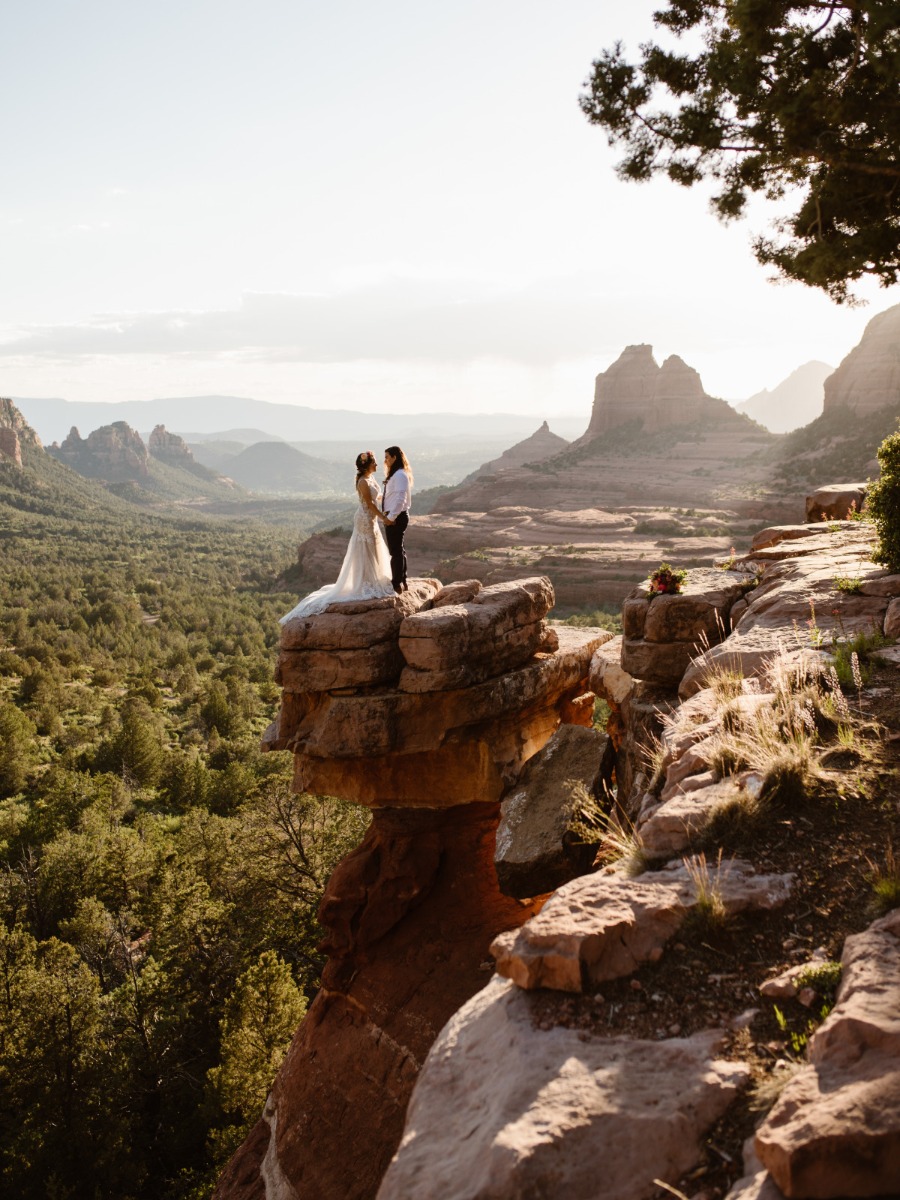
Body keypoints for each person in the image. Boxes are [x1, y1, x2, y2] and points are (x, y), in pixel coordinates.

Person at [279, 451, 394, 622]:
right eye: (374, 463)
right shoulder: (362, 481)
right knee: (366, 548)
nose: (377, 465)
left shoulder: (370, 478)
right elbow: (369, 504)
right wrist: (383, 517)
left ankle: (372, 579)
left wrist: (390, 497)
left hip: (371, 519)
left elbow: (375, 496)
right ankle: (366, 582)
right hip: (365, 519)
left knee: (373, 547)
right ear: (367, 465)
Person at [382, 446, 413, 593]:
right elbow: (393, 496)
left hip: (396, 517)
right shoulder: (397, 474)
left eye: (387, 457)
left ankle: (396, 584)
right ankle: (403, 580)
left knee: (395, 552)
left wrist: (390, 517)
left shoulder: (400, 475)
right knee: (399, 550)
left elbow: (401, 498)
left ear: (395, 457)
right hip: (396, 516)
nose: (385, 460)